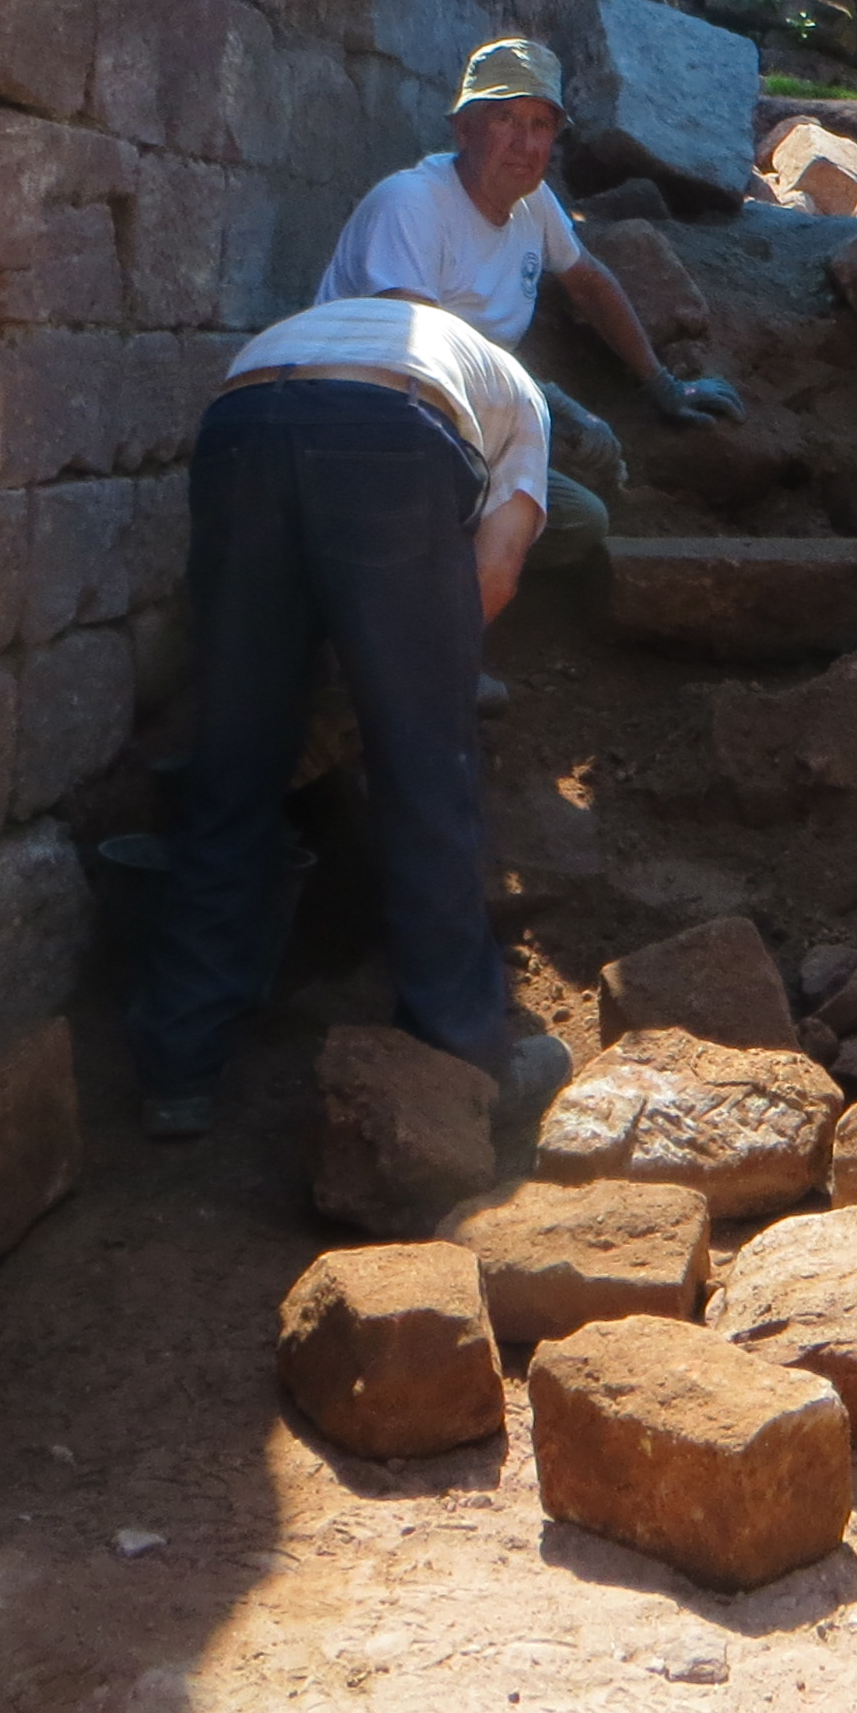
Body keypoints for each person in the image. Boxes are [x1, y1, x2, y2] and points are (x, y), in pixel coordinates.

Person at [129, 294, 572, 1138]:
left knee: (232, 763)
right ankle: (462, 1059)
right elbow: (496, 571)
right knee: (426, 770)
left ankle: (177, 1070)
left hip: (240, 420)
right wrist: (407, 687)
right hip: (391, 430)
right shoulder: (522, 398)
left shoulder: (348, 325)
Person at [317, 40, 747, 585]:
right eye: (505, 119)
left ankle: (437, 573)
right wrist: (545, 401)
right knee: (470, 505)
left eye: (540, 124)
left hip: (463, 424)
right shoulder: (412, 203)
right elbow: (419, 350)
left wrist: (661, 384)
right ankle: (397, 594)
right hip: (371, 422)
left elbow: (590, 284)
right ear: (463, 129)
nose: (524, 143)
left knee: (577, 519)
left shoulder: (532, 201)